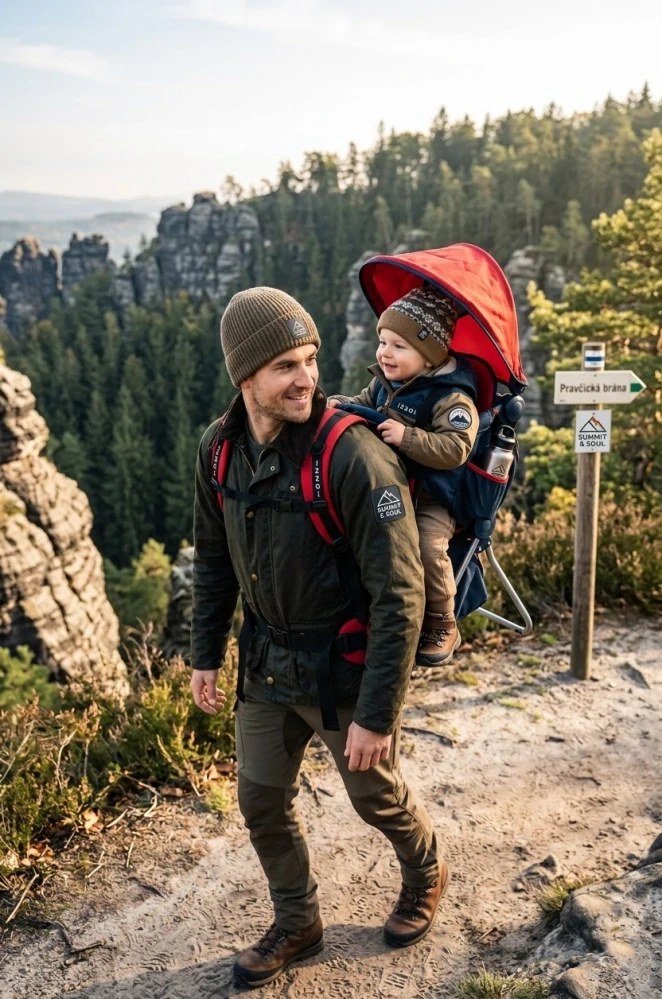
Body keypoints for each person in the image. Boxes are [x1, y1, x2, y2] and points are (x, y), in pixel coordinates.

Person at [191, 287, 447, 989]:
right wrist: (205, 654)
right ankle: (298, 921)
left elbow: (401, 594)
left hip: (344, 668)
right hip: (267, 664)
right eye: (284, 365)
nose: (306, 376)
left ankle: (425, 867)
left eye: (308, 359)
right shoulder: (217, 452)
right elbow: (213, 559)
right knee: (261, 801)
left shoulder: (354, 456)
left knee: (373, 796)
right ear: (245, 378)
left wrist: (376, 712)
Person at [329, 286, 479, 667]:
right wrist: (342, 405)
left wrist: (407, 436)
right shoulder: (385, 383)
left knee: (427, 547)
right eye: (383, 341)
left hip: (435, 497)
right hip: (392, 487)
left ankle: (442, 621)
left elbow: (455, 449)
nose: (385, 353)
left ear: (429, 356)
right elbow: (365, 405)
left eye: (399, 346)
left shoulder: (453, 399)